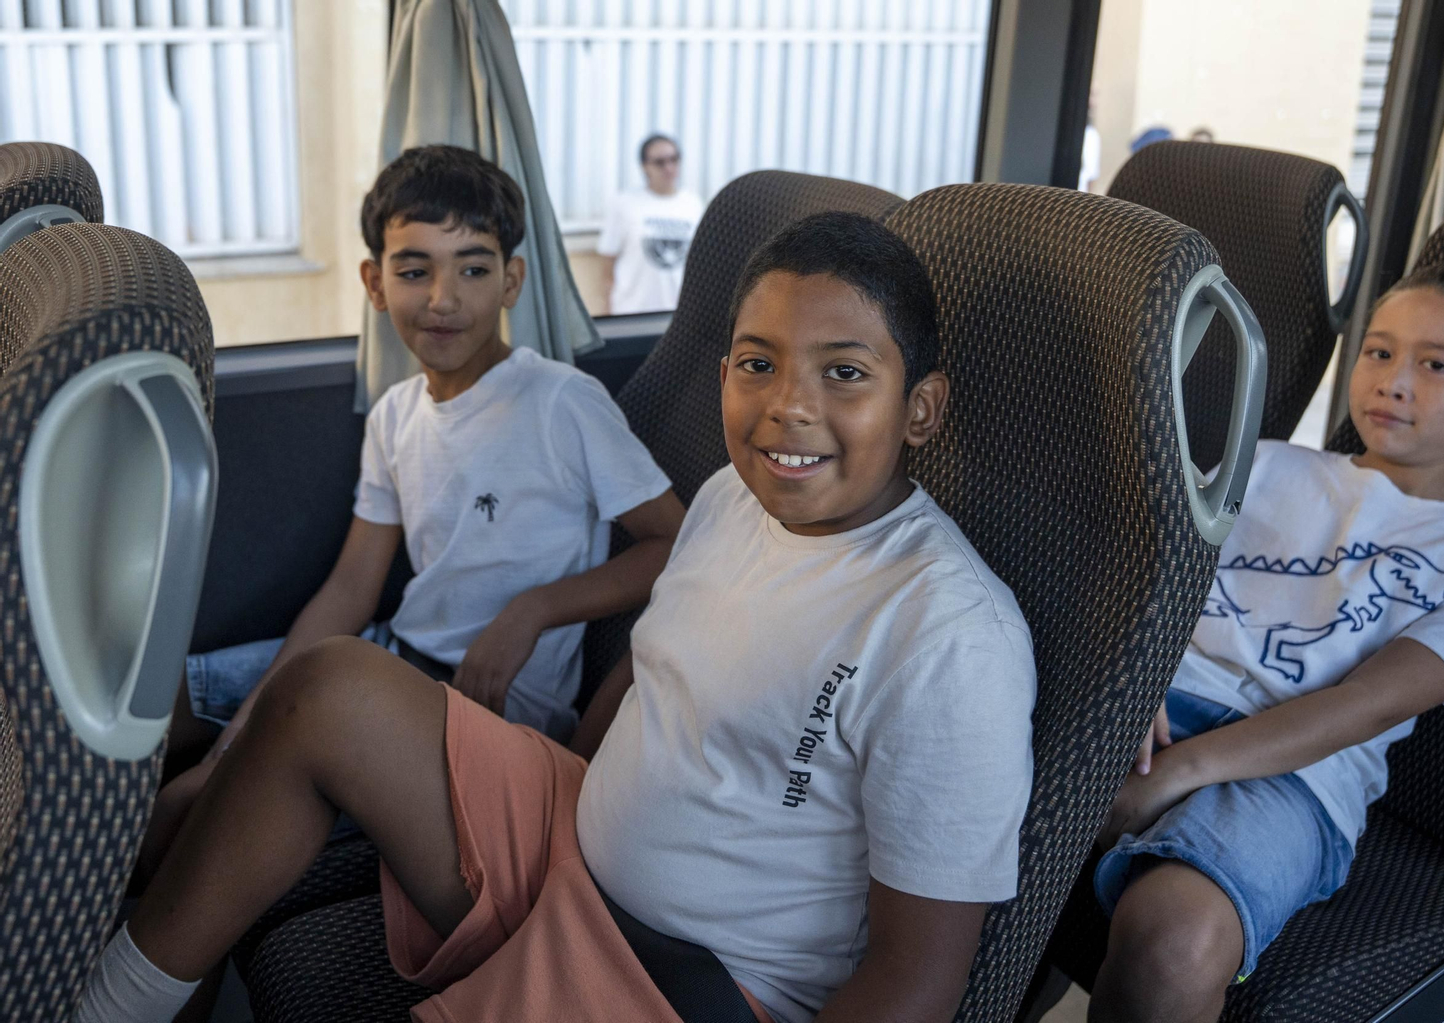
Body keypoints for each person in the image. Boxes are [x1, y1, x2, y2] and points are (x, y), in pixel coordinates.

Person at [75, 211, 1036, 1023]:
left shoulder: (947, 637)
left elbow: (915, 984)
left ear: (922, 408)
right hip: (571, 834)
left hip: (687, 976)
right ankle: (109, 1002)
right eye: (758, 362)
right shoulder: (730, 500)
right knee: (322, 688)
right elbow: (653, 667)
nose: (788, 405)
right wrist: (568, 786)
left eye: (845, 373)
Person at [144, 142, 683, 870]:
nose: (443, 297)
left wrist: (533, 609)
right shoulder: (397, 414)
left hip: (486, 715)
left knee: (194, 824)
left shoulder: (561, 403)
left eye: (472, 267)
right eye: (413, 268)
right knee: (146, 702)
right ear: (374, 282)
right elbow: (348, 590)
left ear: (511, 280)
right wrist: (236, 736)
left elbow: (671, 544)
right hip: (390, 655)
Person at [1087, 262, 1444, 1023]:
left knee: (1174, 941)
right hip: (1156, 701)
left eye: (1436, 365)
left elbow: (1364, 705)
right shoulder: (1269, 463)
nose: (1394, 380)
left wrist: (1173, 774)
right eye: (1378, 352)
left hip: (1300, 772)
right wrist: (1135, 684)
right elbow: (1149, 580)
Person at [596, 134, 705, 315]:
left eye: (673, 159)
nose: (668, 167)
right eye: (660, 162)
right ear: (645, 166)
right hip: (631, 311)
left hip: (678, 314)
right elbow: (608, 262)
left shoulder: (693, 204)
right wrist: (606, 307)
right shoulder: (624, 204)